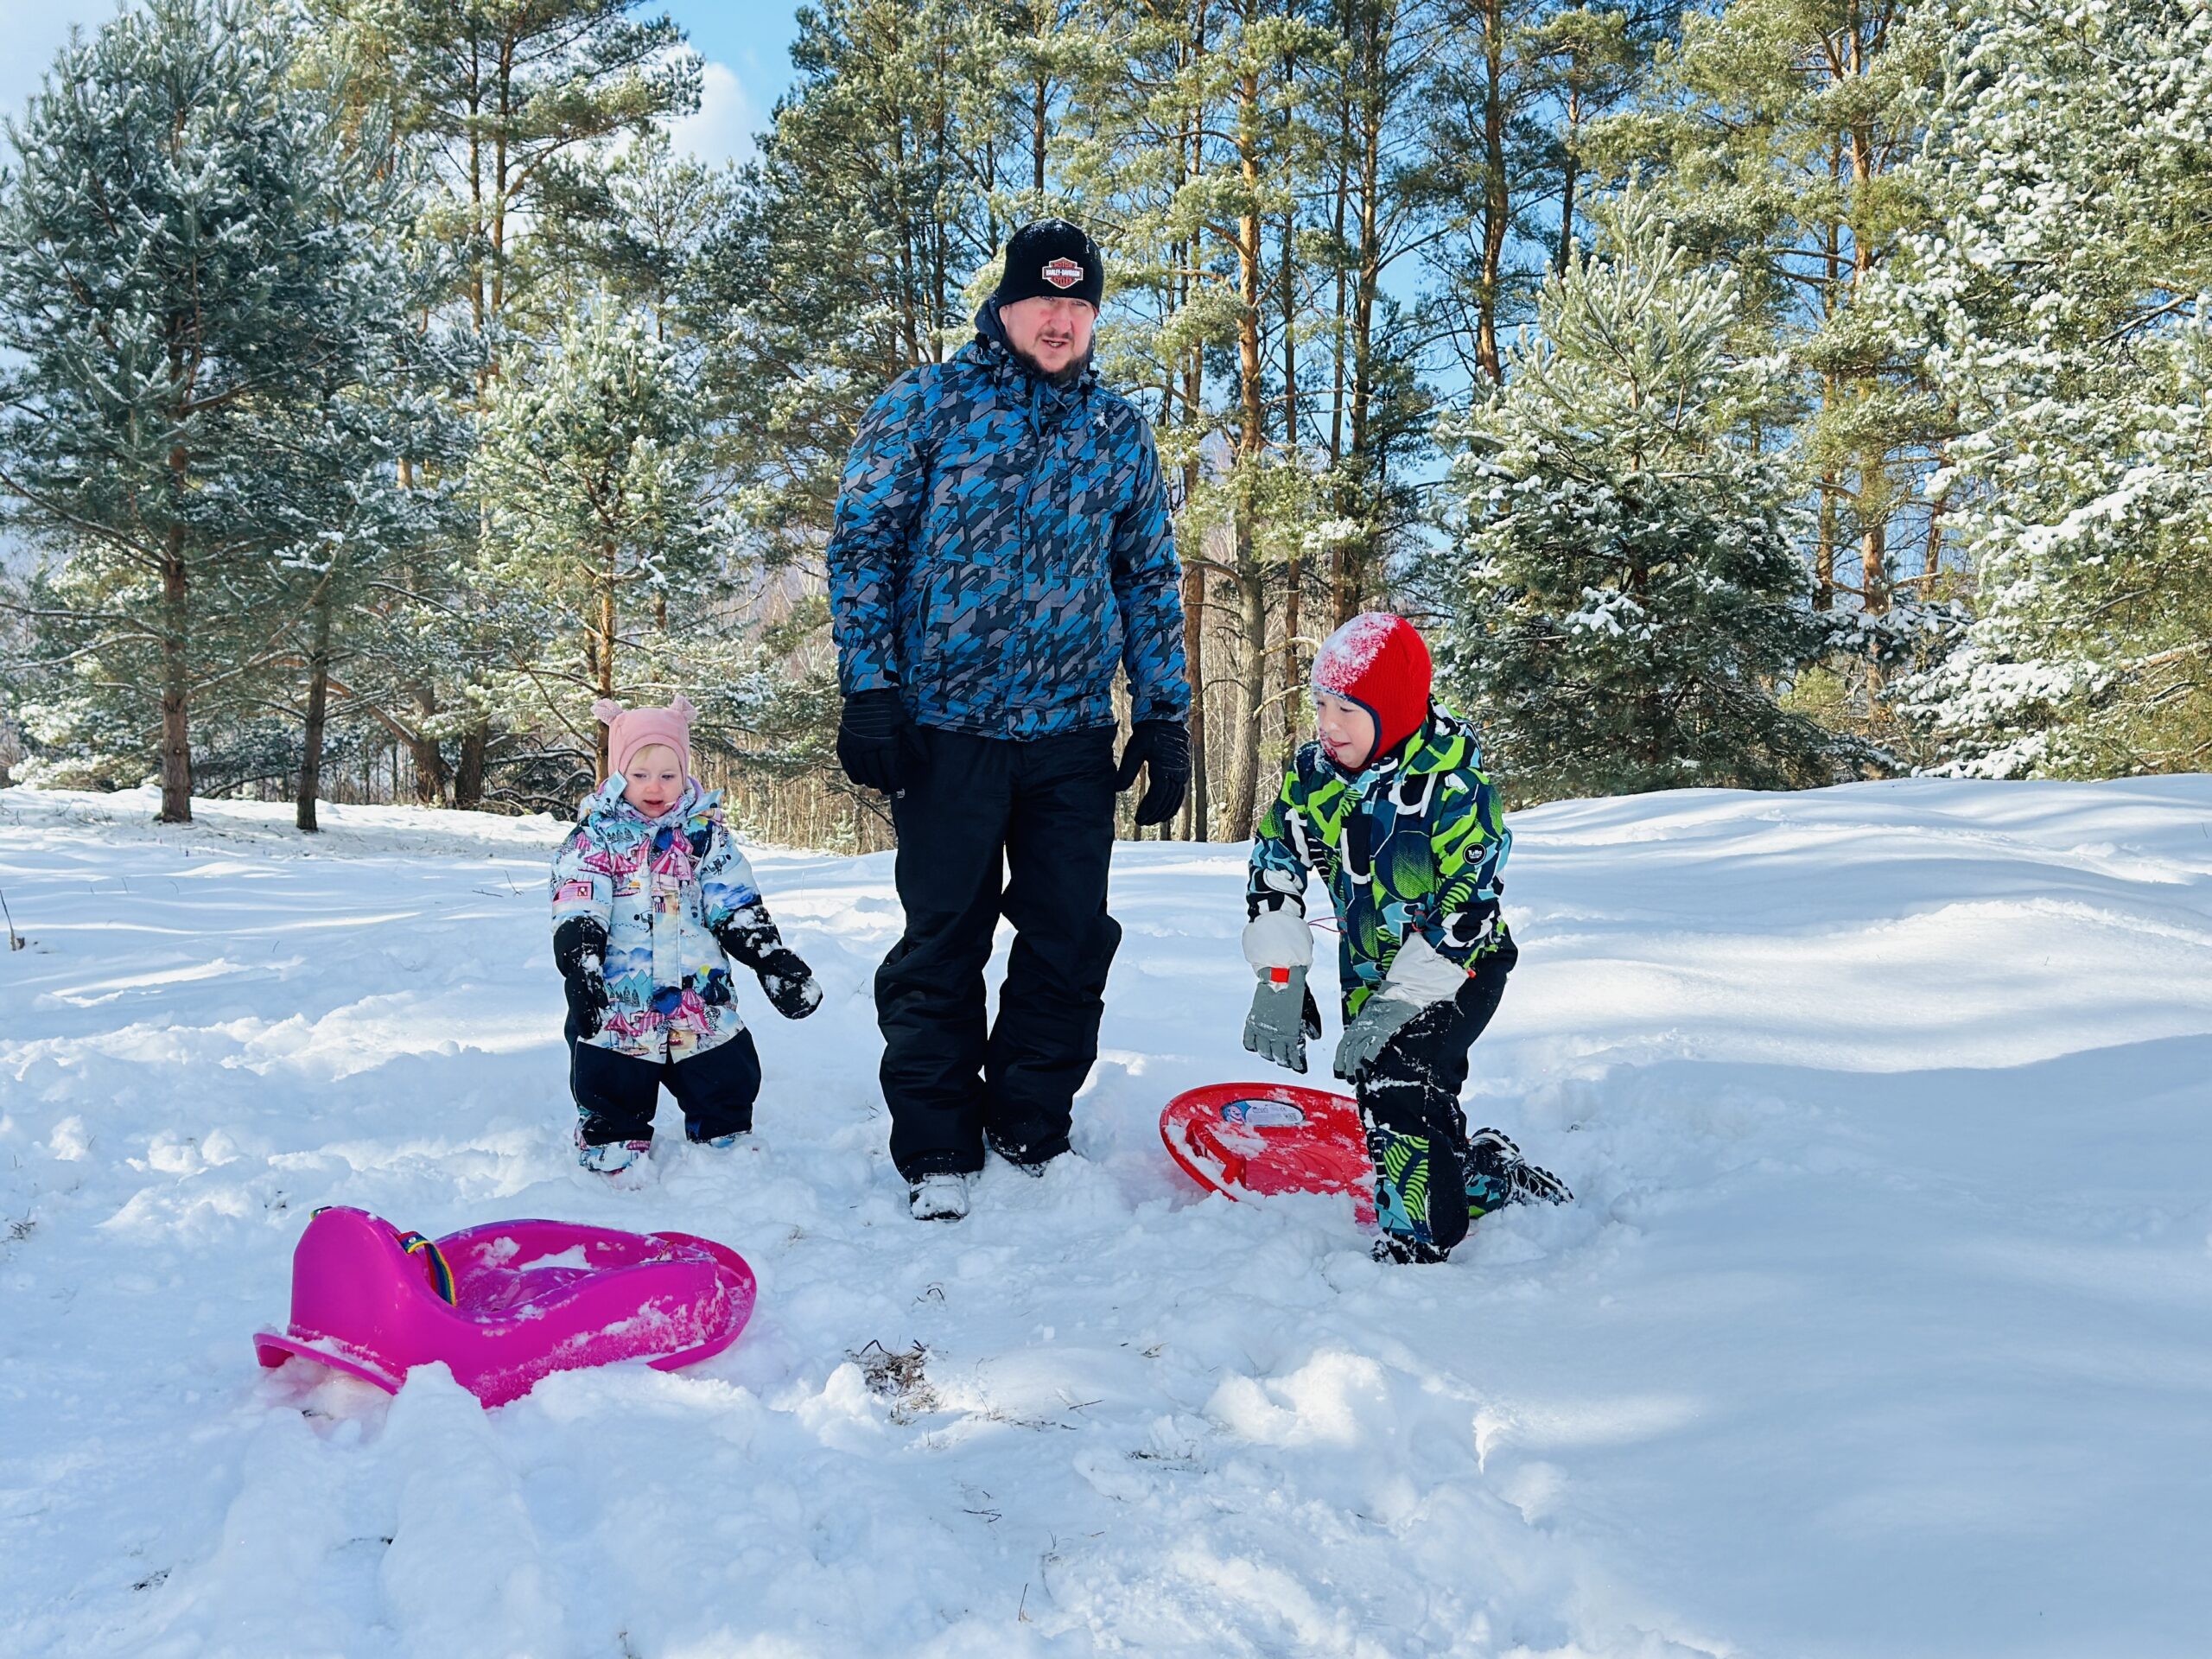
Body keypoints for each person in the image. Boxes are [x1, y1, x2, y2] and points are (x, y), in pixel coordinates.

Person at [825, 218, 1191, 1223]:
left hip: (1071, 733)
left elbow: (1148, 576)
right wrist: (870, 687)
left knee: (1071, 937)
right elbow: (864, 549)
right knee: (944, 938)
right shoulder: (928, 404)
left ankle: (1029, 1122)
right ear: (1004, 305)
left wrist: (1164, 714)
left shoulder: (1118, 430)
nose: (1061, 318)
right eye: (1044, 299)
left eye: (1079, 304)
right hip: (945, 729)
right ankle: (937, 1141)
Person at [1241, 613, 1569, 1262]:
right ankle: (1484, 1170)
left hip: (1459, 965)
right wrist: (1280, 974)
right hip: (1369, 967)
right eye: (1321, 705)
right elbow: (1275, 858)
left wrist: (1397, 1005)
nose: (1328, 724)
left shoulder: (1454, 789)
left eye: (1347, 710)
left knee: (1400, 1085)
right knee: (1389, 1090)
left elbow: (1465, 910)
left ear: (1391, 713)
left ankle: (1416, 1242)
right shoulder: (1315, 777)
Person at [550, 695, 821, 1174]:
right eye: (640, 775)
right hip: (619, 997)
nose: (655, 786)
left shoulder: (705, 836)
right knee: (612, 1072)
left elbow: (734, 901)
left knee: (723, 1069)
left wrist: (771, 958)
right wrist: (580, 965)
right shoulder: (595, 838)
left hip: (700, 993)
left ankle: (724, 1137)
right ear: (617, 773)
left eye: (668, 775)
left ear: (686, 773)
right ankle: (613, 1141)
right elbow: (579, 900)